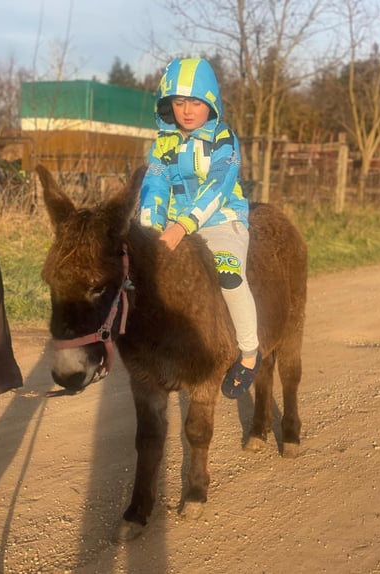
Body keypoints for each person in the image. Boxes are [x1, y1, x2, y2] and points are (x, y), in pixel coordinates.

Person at [139, 57, 261, 399]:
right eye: (179, 102)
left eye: (195, 102)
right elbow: (154, 187)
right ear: (168, 105)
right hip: (177, 227)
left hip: (222, 220)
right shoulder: (162, 145)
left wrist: (181, 226)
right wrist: (149, 232)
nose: (187, 111)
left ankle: (250, 354)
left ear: (211, 102)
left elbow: (220, 185)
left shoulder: (224, 138)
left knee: (228, 272)